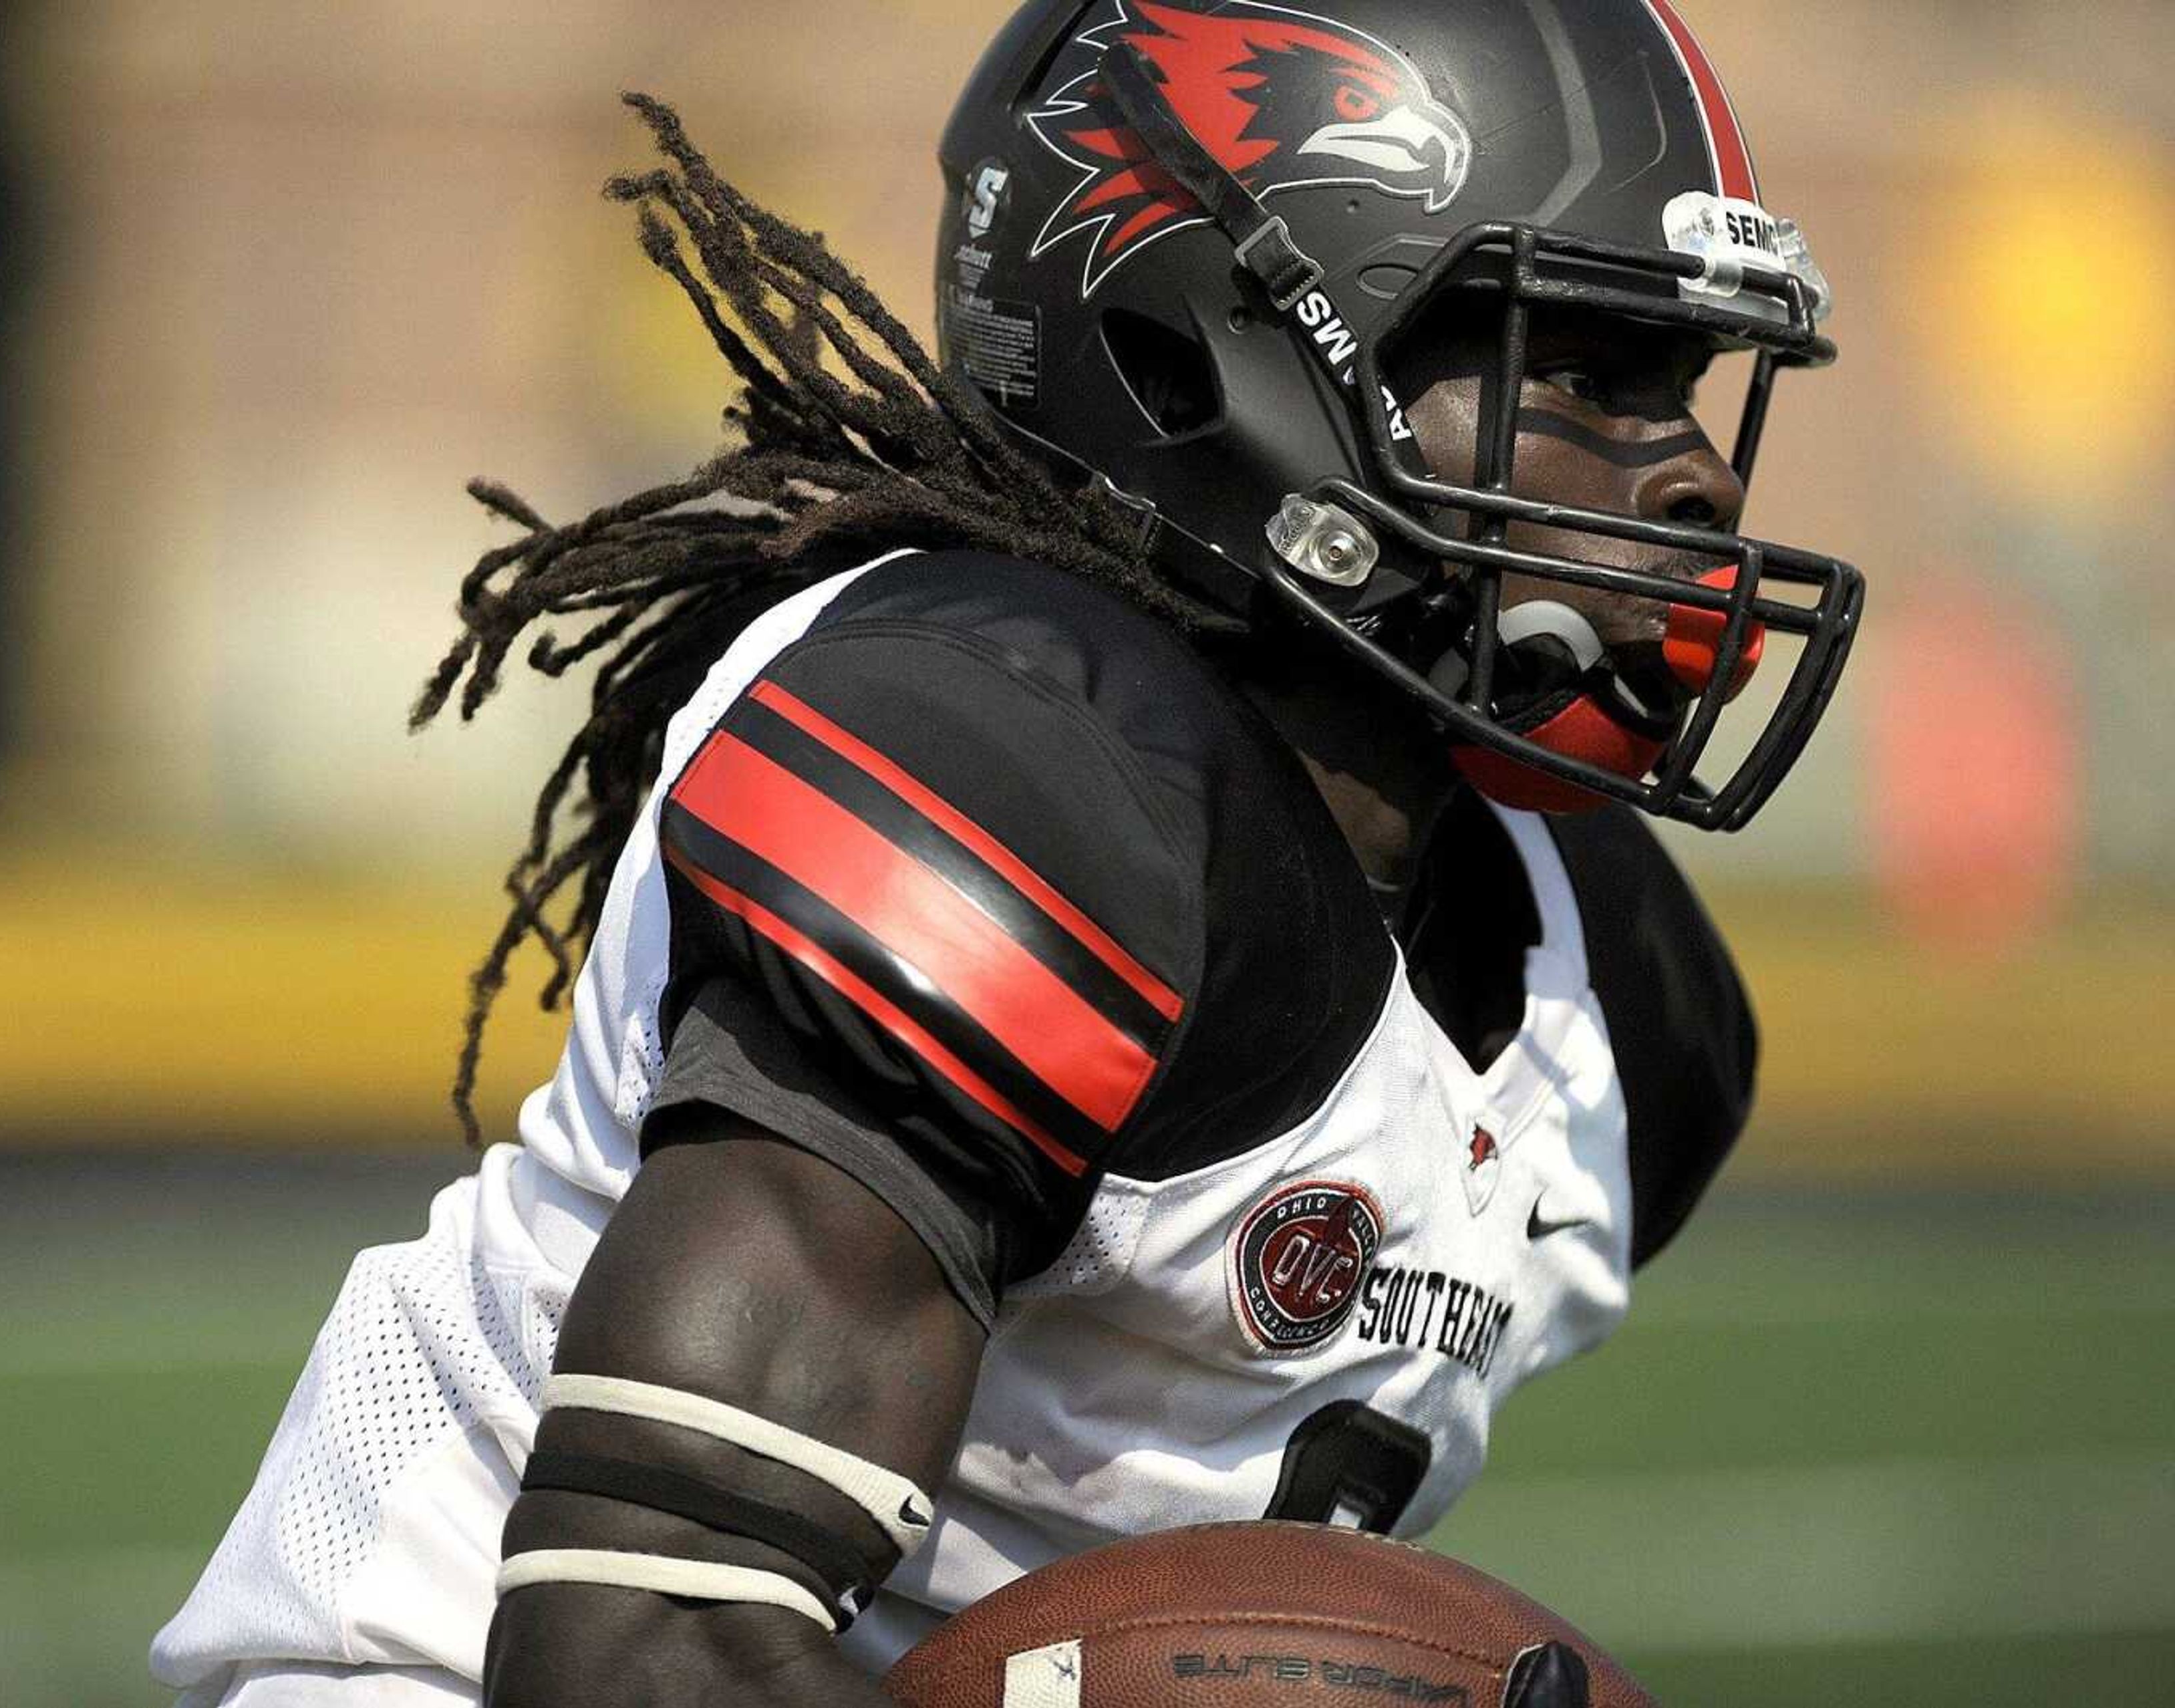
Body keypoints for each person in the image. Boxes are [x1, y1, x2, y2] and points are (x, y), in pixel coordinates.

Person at [152, 2, 1863, 1703]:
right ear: (1212, 351)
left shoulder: (1623, 1014)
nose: (1699, 482)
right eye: (1576, 367)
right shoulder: (1014, 762)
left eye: (1688, 388)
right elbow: (636, 1643)